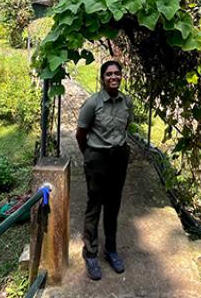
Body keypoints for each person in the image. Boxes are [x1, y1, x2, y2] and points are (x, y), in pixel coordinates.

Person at [76, 60, 133, 281]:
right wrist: (90, 156)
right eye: (109, 74)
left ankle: (111, 250)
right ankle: (90, 253)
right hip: (97, 158)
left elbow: (125, 128)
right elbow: (81, 134)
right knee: (94, 205)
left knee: (113, 205)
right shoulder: (92, 104)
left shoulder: (126, 102)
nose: (113, 77)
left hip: (119, 158)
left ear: (121, 77)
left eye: (117, 73)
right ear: (102, 78)